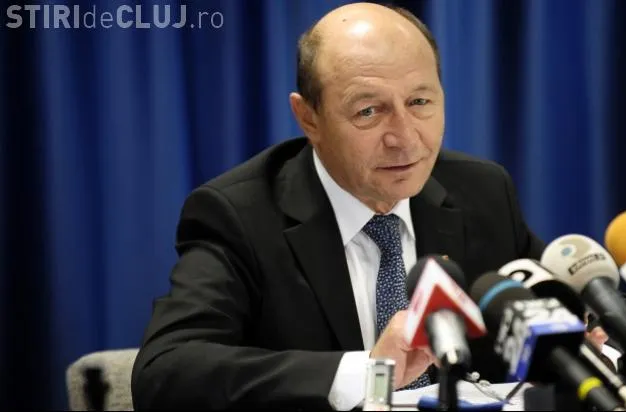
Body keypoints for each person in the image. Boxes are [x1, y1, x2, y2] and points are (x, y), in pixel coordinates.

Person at [131, 2, 545, 410]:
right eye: (369, 111)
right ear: (308, 118)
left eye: (419, 102)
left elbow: (548, 317)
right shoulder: (240, 216)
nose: (405, 138)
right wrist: (369, 372)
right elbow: (166, 373)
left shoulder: (482, 191)